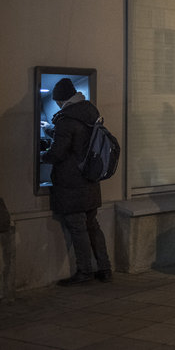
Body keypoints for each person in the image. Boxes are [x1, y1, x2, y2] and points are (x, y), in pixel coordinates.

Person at [41, 78, 112, 286]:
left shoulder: (66, 119)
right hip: (90, 180)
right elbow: (78, 138)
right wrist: (50, 129)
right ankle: (105, 268)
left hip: (71, 183)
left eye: (57, 102)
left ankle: (84, 271)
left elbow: (58, 152)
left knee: (77, 228)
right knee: (92, 225)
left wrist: (42, 155)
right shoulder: (89, 113)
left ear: (61, 100)